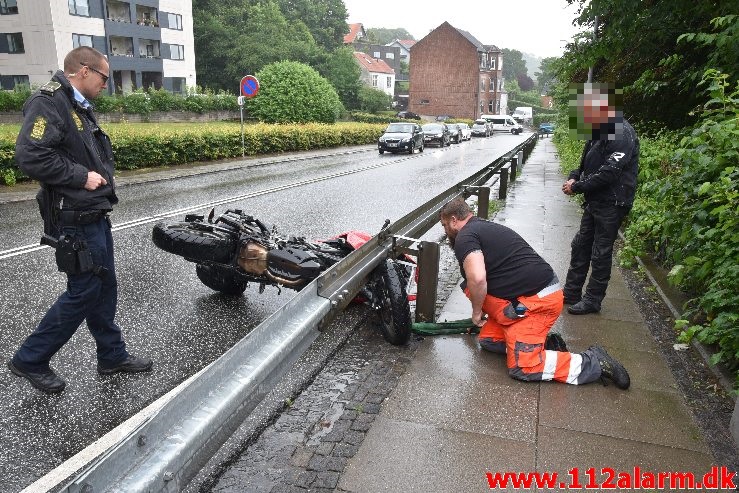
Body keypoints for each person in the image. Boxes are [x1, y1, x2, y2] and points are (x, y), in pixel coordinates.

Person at [8, 47, 152, 394]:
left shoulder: (77, 106)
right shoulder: (50, 102)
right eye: (104, 77)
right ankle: (30, 358)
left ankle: (112, 355)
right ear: (84, 71)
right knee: (84, 290)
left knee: (105, 287)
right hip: (74, 217)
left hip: (93, 213)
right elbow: (29, 155)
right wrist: (79, 176)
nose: (107, 84)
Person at [439, 198, 630, 389]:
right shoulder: (481, 227)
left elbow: (478, 279)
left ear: (454, 220)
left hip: (536, 303)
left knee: (523, 368)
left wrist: (476, 311)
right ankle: (541, 345)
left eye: (445, 225)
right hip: (529, 298)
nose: (445, 230)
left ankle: (594, 362)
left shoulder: (465, 236)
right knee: (489, 341)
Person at [562, 84, 640, 315]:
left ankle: (593, 300)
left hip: (613, 202)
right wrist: (574, 177)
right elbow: (585, 164)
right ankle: (572, 291)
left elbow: (610, 171)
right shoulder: (598, 132)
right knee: (581, 245)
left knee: (601, 251)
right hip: (595, 200)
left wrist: (578, 187)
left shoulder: (622, 133)